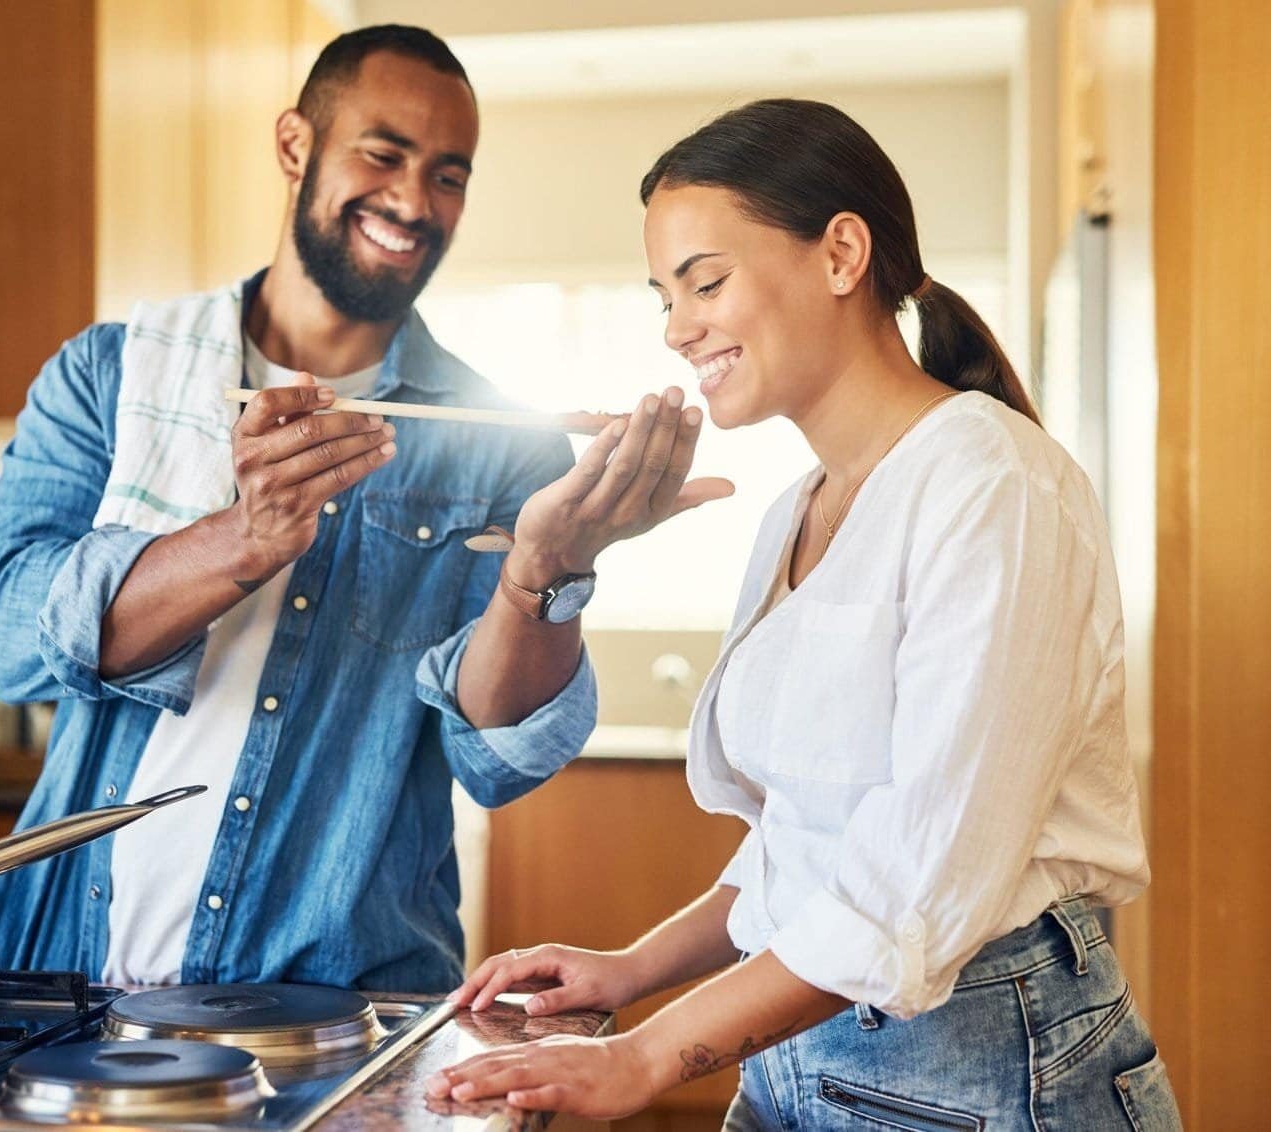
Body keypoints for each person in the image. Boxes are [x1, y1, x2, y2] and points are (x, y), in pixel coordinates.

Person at [429, 99, 1182, 1130]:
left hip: (979, 1060)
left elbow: (917, 880)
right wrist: (633, 968)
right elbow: (811, 848)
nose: (676, 325)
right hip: (797, 1052)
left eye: (705, 281)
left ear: (840, 253)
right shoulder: (800, 507)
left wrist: (649, 1056)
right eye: (664, 295)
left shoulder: (994, 483)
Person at [0, 25, 730, 993]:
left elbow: (497, 758)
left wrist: (546, 572)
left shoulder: (501, 441)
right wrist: (242, 539)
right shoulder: (111, 375)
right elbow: (10, 638)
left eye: (448, 174)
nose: (412, 201)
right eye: (383, 153)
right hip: (51, 984)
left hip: (336, 1007)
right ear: (293, 146)